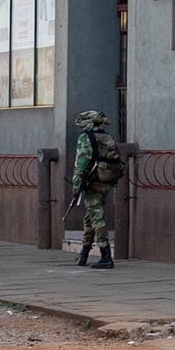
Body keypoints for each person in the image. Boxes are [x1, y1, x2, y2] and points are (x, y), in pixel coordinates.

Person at [72, 110, 124, 269]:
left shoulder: (85, 137)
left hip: (92, 182)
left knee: (96, 218)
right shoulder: (107, 137)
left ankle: (106, 255)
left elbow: (81, 162)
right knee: (90, 217)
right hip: (106, 181)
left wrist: (76, 183)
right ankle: (84, 253)